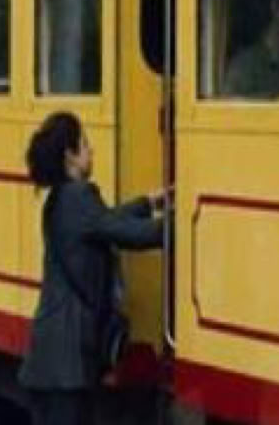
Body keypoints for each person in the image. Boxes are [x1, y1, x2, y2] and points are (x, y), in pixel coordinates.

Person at [18, 112, 168, 425]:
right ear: (70, 156)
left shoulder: (61, 198)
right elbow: (125, 233)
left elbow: (104, 220)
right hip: (66, 366)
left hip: (55, 364)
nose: (91, 151)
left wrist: (148, 203)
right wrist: (181, 226)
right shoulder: (78, 197)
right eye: (85, 145)